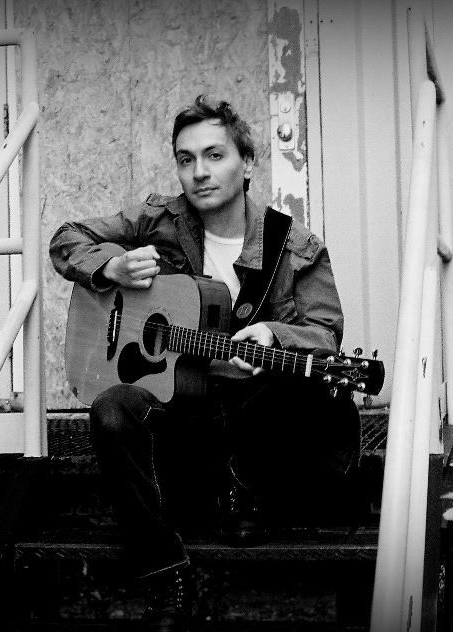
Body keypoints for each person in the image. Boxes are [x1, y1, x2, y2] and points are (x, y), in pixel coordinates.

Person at [50, 95, 360, 632]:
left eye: (215, 155)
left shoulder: (295, 246)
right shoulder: (156, 220)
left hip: (254, 422)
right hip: (182, 417)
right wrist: (111, 267)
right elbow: (66, 238)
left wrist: (275, 334)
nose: (199, 171)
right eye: (186, 158)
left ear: (247, 161)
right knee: (111, 409)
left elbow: (325, 334)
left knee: (304, 382)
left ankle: (244, 487)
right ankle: (164, 571)